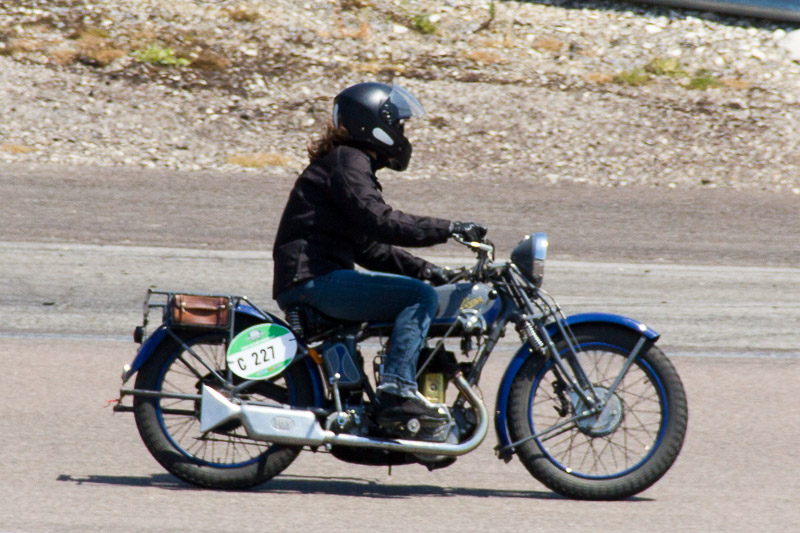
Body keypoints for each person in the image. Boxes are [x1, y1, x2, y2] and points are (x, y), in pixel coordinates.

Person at [272, 82, 486, 428]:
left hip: (310, 277)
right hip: (312, 280)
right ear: (373, 123)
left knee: (420, 287)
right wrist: (450, 229)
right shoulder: (348, 161)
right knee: (419, 297)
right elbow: (381, 221)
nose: (402, 133)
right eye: (398, 124)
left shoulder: (344, 163)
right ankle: (397, 390)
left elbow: (368, 247)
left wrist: (429, 270)